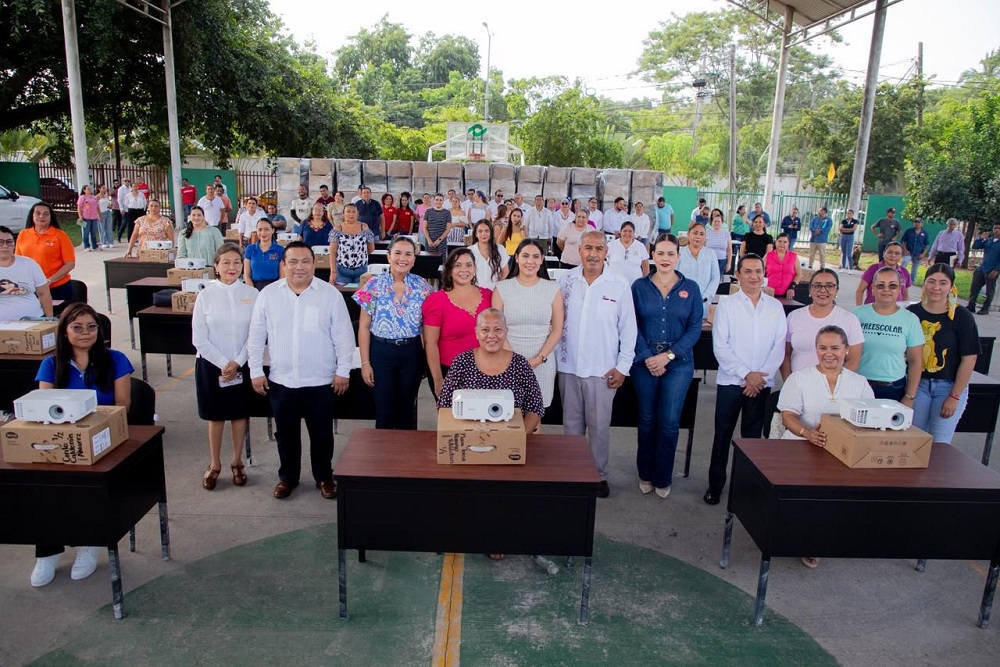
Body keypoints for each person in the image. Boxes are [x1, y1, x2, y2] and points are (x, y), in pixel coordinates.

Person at [31, 303, 133, 587]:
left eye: (91, 327)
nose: (85, 333)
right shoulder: (51, 364)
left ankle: (89, 544)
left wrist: (91, 425)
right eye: (77, 327)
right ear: (64, 332)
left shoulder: (115, 359)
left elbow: (122, 405)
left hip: (103, 439)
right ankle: (47, 552)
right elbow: (44, 407)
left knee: (88, 487)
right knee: (44, 486)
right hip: (63, 440)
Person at [248, 242, 355, 501]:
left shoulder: (329, 295)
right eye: (293, 261)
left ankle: (324, 477)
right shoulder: (268, 295)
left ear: (313, 263)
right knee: (286, 435)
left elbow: (344, 336)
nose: (300, 267)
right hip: (282, 380)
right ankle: (288, 478)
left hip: (321, 380)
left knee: (321, 434)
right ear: (283, 264)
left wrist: (343, 370)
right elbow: (256, 335)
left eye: (305, 261)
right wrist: (254, 370)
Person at [778, 324, 875, 570]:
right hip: (801, 447)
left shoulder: (860, 382)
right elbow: (787, 415)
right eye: (823, 348)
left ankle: (816, 541)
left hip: (840, 453)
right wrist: (807, 433)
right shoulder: (799, 378)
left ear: (846, 350)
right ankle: (795, 535)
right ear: (816, 350)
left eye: (835, 348)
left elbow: (870, 418)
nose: (828, 353)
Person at [557, 231, 637, 498]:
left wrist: (623, 367)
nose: (593, 253)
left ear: (607, 252)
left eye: (599, 249)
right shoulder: (565, 280)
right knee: (571, 426)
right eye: (588, 248)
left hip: (603, 370)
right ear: (579, 250)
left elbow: (628, 330)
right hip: (568, 366)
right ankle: (572, 473)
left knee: (600, 427)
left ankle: (598, 475)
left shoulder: (619, 284)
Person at [705, 254, 786, 505]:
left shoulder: (774, 307)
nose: (753, 276)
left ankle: (746, 488)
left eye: (758, 271)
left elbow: (779, 346)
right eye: (748, 271)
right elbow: (721, 346)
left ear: (764, 274)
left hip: (761, 384)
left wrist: (759, 378)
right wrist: (745, 375)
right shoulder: (727, 305)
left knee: (752, 440)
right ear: (737, 275)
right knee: (722, 436)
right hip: (731, 382)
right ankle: (715, 486)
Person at [631, 233, 702, 498]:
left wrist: (668, 356)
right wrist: (649, 355)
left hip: (679, 363)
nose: (665, 258)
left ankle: (663, 476)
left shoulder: (690, 288)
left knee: (670, 422)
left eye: (670, 254)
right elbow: (631, 324)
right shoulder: (638, 287)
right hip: (645, 361)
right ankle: (645, 473)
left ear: (678, 257)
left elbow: (695, 328)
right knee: (647, 420)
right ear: (653, 255)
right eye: (660, 253)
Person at [192, 243, 258, 491]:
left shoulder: (252, 295)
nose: (232, 267)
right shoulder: (205, 295)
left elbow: (256, 334)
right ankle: (215, 464)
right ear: (216, 267)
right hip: (211, 365)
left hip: (242, 363)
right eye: (226, 263)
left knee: (239, 414)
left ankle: (237, 461)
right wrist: (223, 363)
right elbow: (198, 338)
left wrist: (238, 362)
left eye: (237, 262)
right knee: (215, 415)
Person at [354, 236, 432, 430]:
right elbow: (363, 326)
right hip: (381, 353)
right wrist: (365, 363)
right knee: (384, 411)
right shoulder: (373, 285)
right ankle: (384, 458)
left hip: (411, 352)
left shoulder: (423, 286)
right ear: (388, 256)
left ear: (414, 259)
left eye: (408, 254)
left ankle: (405, 458)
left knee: (406, 410)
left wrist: (426, 359)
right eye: (397, 253)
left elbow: (427, 327)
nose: (402, 258)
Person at [438, 307, 544, 434]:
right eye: (485, 330)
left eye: (498, 329)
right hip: (468, 439)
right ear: (476, 333)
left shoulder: (520, 365)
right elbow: (444, 405)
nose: (491, 335)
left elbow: (535, 407)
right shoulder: (462, 362)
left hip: (511, 440)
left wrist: (518, 439)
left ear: (506, 332)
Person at [908, 263, 979, 444]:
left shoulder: (961, 317)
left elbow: (969, 359)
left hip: (949, 387)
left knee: (940, 444)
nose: (936, 288)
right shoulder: (911, 313)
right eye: (931, 282)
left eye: (943, 283)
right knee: (915, 440)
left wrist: (954, 396)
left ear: (951, 286)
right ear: (924, 284)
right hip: (919, 386)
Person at [493, 239, 564, 410]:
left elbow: (557, 329)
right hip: (508, 361)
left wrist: (538, 359)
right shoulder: (502, 288)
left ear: (542, 259)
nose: (530, 261)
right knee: (508, 415)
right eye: (525, 256)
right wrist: (516, 361)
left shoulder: (552, 288)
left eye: (535, 257)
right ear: (516, 258)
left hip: (543, 363)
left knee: (535, 418)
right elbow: (497, 329)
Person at [422, 248, 492, 397]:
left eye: (468, 265)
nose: (464, 270)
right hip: (449, 372)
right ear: (449, 270)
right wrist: (438, 379)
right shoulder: (437, 301)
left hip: (485, 370)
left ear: (475, 268)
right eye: (457, 265)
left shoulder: (488, 296)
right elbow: (431, 343)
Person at [853, 266, 924, 401]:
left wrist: (909, 397)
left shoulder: (910, 319)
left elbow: (915, 362)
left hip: (892, 389)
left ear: (899, 289)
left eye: (892, 286)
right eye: (880, 285)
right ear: (873, 289)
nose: (886, 290)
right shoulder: (857, 314)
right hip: (858, 385)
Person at [780, 268, 864, 379]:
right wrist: (789, 382)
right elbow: (785, 354)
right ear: (810, 290)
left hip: (832, 389)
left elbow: (853, 360)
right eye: (817, 286)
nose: (823, 290)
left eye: (829, 286)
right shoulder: (794, 316)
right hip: (798, 385)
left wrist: (832, 385)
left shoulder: (849, 320)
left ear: (837, 290)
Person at [15, 202, 76, 302]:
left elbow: (70, 264)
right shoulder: (23, 234)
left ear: (51, 217)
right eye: (38, 213)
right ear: (32, 216)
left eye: (46, 214)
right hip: (30, 288)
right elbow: (18, 261)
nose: (41, 216)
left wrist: (49, 281)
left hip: (57, 287)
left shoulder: (60, 235)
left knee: (54, 317)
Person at [0, 225, 52, 319]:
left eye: (9, 242)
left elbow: (44, 294)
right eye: (0, 242)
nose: (5, 246)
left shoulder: (28, 264)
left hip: (33, 320)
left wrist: (50, 321)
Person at [677, 221, 721, 320]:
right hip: (682, 301)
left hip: (703, 303)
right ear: (688, 234)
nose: (698, 237)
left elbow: (715, 277)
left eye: (702, 234)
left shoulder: (711, 254)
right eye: (695, 233)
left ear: (705, 237)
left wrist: (704, 297)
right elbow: (674, 276)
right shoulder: (680, 253)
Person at [328, 203, 375, 285]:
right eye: (348, 212)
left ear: (358, 214)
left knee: (362, 296)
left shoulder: (364, 227)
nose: (351, 214)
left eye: (354, 212)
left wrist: (359, 255)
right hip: (342, 270)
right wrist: (333, 272)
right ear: (343, 214)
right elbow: (332, 252)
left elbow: (371, 249)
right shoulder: (337, 229)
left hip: (362, 269)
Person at [243, 218, 284, 290]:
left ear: (273, 230)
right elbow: (246, 275)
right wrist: (252, 291)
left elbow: (282, 276)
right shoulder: (250, 249)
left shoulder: (280, 250)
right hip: (254, 286)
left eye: (266, 229)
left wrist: (275, 290)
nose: (263, 232)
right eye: (260, 229)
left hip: (274, 287)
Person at [968, 223, 1000, 315]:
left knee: (990, 290)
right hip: (982, 268)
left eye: (999, 228)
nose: (996, 230)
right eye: (995, 228)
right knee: (974, 287)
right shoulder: (989, 240)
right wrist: (981, 238)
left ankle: (985, 308)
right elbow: (975, 246)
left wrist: (997, 270)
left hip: (992, 269)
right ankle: (971, 305)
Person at [469, 219, 508, 290]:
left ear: (491, 233)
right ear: (476, 234)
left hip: (495, 293)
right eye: (480, 231)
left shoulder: (500, 249)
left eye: (486, 231)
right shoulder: (469, 251)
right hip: (475, 293)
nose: (483, 233)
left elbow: (505, 272)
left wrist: (498, 288)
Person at [421, 194, 453, 264]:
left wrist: (439, 240)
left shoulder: (447, 213)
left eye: (440, 200)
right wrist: (429, 240)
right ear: (433, 201)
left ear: (443, 201)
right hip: (429, 242)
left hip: (441, 242)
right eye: (437, 200)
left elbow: (448, 229)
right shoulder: (428, 212)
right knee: (429, 262)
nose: (438, 201)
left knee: (441, 262)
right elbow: (424, 228)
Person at [765, 233, 800, 298]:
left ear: (788, 243)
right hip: (769, 294)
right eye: (780, 241)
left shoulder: (793, 256)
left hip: (787, 294)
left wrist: (792, 287)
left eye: (785, 242)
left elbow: (799, 274)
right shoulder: (768, 255)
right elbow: (759, 271)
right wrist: (764, 286)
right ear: (775, 242)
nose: (782, 243)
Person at [705, 209, 733, 276]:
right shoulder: (707, 233)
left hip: (721, 260)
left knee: (718, 279)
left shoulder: (726, 234)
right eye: (715, 221)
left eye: (718, 221)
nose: (717, 223)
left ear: (722, 223)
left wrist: (729, 263)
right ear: (712, 222)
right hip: (708, 260)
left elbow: (729, 249)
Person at [96, 184, 113, 249]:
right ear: (99, 189)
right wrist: (99, 215)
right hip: (101, 213)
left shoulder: (107, 196)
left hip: (108, 212)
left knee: (109, 228)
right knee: (102, 228)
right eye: (103, 188)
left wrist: (110, 206)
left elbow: (109, 204)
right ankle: (103, 242)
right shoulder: (97, 197)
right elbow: (96, 207)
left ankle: (110, 241)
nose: (104, 189)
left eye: (105, 188)